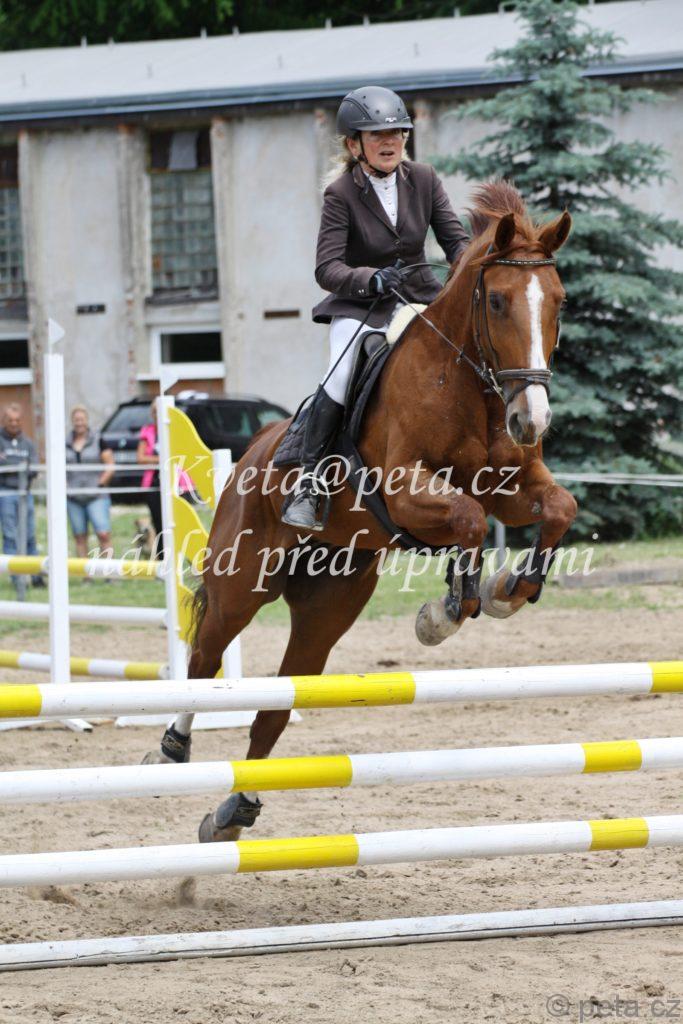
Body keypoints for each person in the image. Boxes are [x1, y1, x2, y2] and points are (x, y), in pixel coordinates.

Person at [282, 85, 471, 531]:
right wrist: (370, 278)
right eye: (377, 135)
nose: (390, 142)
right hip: (362, 307)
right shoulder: (341, 194)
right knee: (341, 374)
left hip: (419, 298)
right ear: (355, 145)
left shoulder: (424, 179)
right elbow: (327, 267)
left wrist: (470, 271)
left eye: (397, 134)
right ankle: (308, 485)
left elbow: (456, 241)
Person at [0, 403, 44, 590]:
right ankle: (17, 579)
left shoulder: (28, 443)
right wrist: (19, 466)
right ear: (4, 421)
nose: (14, 423)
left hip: (26, 494)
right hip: (5, 493)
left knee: (30, 536)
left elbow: (34, 468)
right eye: (10, 420)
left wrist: (9, 463)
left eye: (17, 420)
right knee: (10, 536)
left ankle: (36, 576)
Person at [137, 416, 193, 559]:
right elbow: (141, 458)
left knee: (183, 524)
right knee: (160, 526)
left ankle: (191, 557)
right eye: (155, 412)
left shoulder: (178, 430)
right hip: (155, 485)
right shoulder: (148, 432)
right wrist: (165, 460)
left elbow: (185, 455)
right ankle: (164, 561)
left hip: (178, 484)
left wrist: (163, 460)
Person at [65, 406, 115, 559]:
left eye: (82, 419)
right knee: (79, 537)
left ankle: (108, 569)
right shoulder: (64, 442)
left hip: (97, 497)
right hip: (73, 498)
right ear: (72, 421)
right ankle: (84, 571)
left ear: (87, 420)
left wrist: (99, 485)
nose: (79, 423)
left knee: (103, 534)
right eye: (76, 420)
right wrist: (65, 486)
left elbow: (110, 466)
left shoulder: (99, 440)